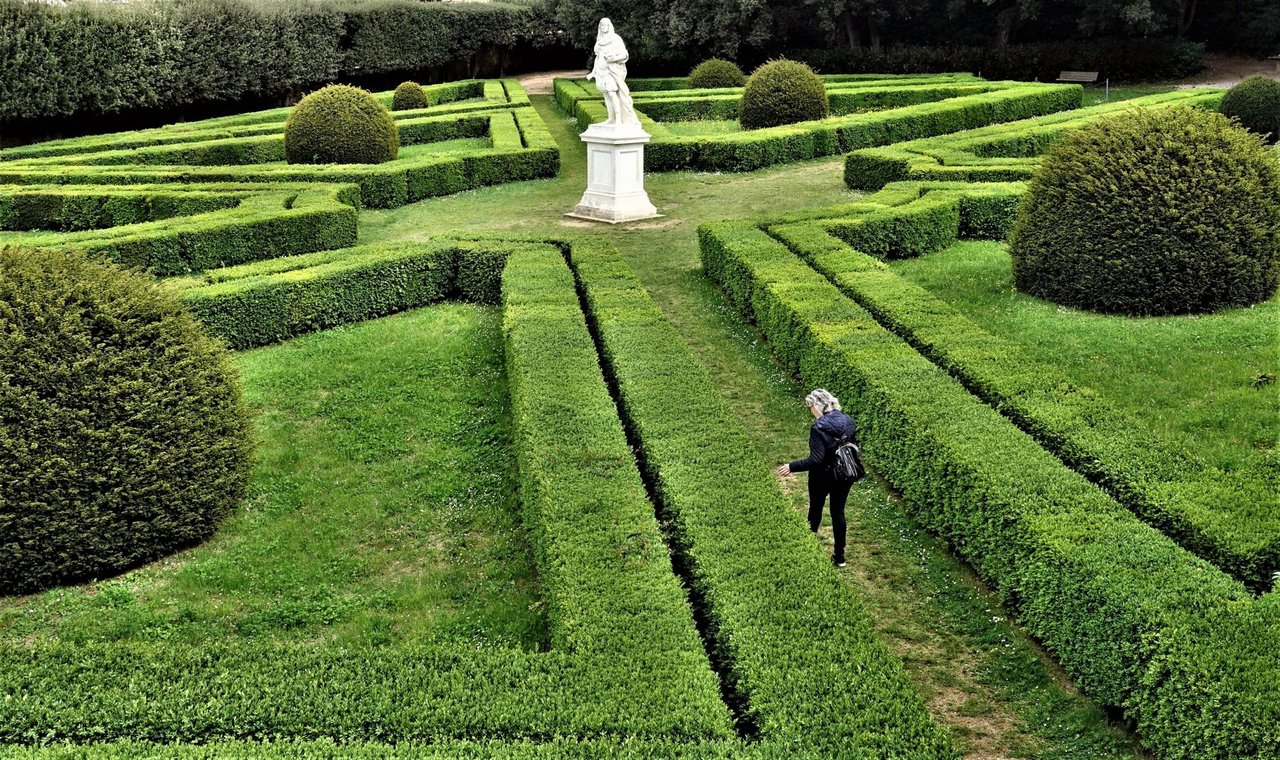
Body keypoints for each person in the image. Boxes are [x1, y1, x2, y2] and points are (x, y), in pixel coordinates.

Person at [776, 389, 857, 568]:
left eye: (811, 406)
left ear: (817, 406)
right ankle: (840, 556)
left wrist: (792, 466)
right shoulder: (848, 421)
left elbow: (816, 459)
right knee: (838, 512)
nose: (811, 410)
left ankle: (807, 547)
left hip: (822, 475)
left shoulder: (818, 427)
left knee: (815, 509)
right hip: (845, 474)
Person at [585, 18, 638, 127]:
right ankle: (611, 118)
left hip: (612, 71)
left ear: (610, 26)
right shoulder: (599, 40)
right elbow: (598, 58)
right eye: (602, 25)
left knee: (613, 94)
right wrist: (593, 72)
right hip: (601, 72)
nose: (604, 27)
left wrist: (613, 59)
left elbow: (624, 55)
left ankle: (618, 119)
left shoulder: (615, 39)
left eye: (606, 25)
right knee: (606, 95)